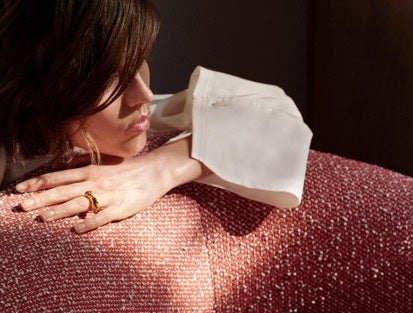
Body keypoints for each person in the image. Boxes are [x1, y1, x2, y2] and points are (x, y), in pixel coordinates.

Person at [0, 0, 312, 234]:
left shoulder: (148, 120)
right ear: (33, 91)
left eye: (141, 59)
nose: (144, 94)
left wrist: (161, 168)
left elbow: (279, 117)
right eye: (109, 79)